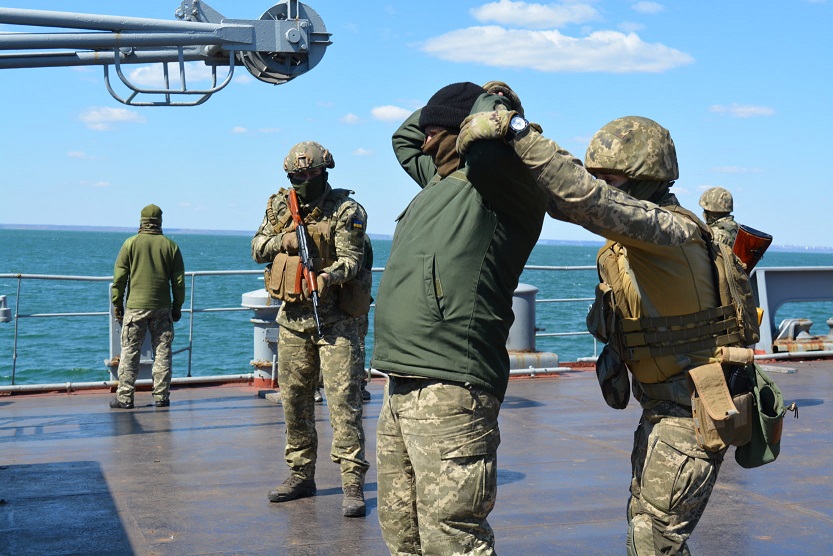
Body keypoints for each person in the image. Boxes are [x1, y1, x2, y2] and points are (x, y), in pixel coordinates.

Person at [458, 111, 754, 554]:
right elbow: (565, 197)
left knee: (654, 539)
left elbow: (587, 200)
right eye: (599, 178)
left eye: (611, 179)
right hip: (663, 409)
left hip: (689, 413)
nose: (602, 186)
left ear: (645, 177)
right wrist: (516, 145)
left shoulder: (670, 231)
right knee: (647, 530)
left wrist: (517, 132)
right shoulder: (641, 232)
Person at [372, 81, 547, 554]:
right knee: (402, 533)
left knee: (452, 538)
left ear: (464, 129)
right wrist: (447, 108)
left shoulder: (501, 184)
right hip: (400, 381)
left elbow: (487, 153)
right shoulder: (440, 179)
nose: (425, 142)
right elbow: (404, 138)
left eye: (436, 132)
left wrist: (489, 105)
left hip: (452, 388)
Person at [251, 141, 370, 518]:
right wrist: (283, 241)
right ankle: (301, 474)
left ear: (325, 172)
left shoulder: (346, 210)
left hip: (337, 323)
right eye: (297, 176)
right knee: (294, 402)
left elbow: (352, 260)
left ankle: (351, 481)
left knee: (344, 403)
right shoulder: (279, 207)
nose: (305, 180)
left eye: (312, 173)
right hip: (293, 321)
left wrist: (327, 276)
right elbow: (257, 247)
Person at [110, 204, 185, 409]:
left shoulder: (130, 244)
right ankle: (161, 397)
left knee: (130, 352)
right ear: (160, 221)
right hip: (162, 307)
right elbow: (178, 283)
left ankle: (125, 398)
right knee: (162, 352)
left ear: (141, 221)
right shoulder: (171, 246)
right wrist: (177, 307)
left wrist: (117, 304)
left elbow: (119, 279)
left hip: (135, 308)